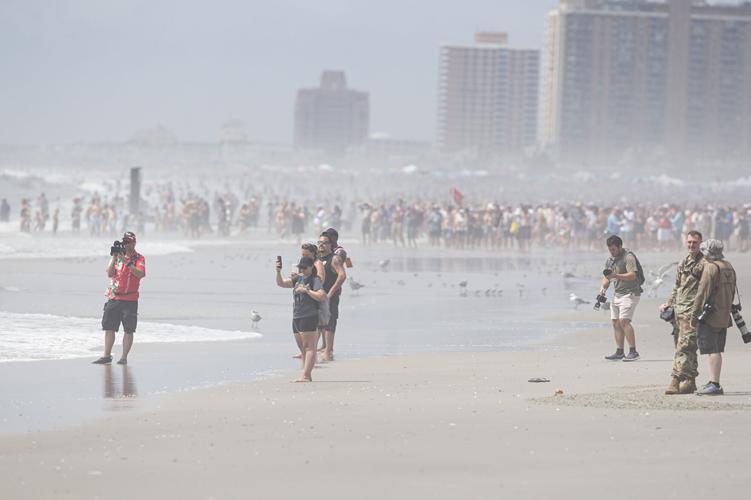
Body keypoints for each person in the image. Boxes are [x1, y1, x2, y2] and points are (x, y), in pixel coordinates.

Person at [661, 230, 704, 394]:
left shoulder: (703, 264)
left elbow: (705, 290)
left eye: (695, 242)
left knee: (683, 347)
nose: (691, 245)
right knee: (687, 347)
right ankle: (691, 381)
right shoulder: (683, 263)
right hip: (678, 312)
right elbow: (677, 286)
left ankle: (675, 380)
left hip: (692, 313)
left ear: (700, 243)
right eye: (689, 242)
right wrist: (668, 303)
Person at [93, 232, 146, 365]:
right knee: (109, 327)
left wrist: (127, 263)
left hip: (130, 299)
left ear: (134, 243)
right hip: (114, 296)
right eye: (124, 242)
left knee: (129, 329)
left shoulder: (139, 258)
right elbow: (109, 273)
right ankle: (106, 355)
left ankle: (123, 357)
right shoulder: (117, 256)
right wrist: (114, 257)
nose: (125, 244)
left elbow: (141, 274)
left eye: (128, 242)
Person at [692, 239, 737, 395]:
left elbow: (701, 294)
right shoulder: (729, 266)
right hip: (724, 314)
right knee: (716, 348)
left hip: (710, 316)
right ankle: (713, 381)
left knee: (712, 349)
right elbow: (732, 293)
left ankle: (714, 383)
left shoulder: (711, 268)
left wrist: (694, 317)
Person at [276, 256, 326, 382]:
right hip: (297, 316)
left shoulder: (315, 280)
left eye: (304, 268)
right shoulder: (298, 278)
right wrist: (278, 271)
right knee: (302, 347)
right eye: (300, 267)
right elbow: (281, 283)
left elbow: (321, 296)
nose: (302, 270)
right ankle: (304, 372)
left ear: (311, 268)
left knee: (309, 347)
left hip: (309, 315)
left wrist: (306, 291)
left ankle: (306, 375)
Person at [600, 235, 642, 361]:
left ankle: (634, 352)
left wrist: (616, 275)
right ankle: (619, 352)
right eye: (609, 249)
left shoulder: (628, 257)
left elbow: (633, 275)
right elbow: (607, 277)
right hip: (617, 294)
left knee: (624, 321)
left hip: (631, 293)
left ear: (619, 246)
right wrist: (603, 288)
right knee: (615, 323)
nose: (611, 252)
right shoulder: (610, 260)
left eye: (613, 249)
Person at [318, 228, 347, 362]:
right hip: (318, 293)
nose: (321, 244)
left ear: (332, 241)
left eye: (325, 241)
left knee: (330, 321)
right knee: (318, 321)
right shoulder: (318, 256)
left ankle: (328, 349)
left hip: (331, 292)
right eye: (320, 242)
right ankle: (320, 346)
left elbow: (342, 274)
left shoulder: (338, 253)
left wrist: (331, 293)